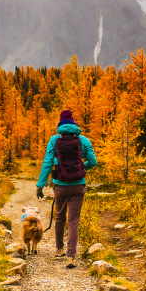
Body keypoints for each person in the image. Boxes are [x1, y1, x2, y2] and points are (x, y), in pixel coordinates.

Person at [36, 109, 98, 268]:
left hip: (60, 186)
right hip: (78, 185)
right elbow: (93, 161)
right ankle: (71, 257)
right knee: (74, 220)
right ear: (73, 122)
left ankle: (59, 249)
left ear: (60, 123)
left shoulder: (54, 140)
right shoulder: (83, 140)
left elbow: (47, 163)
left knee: (60, 217)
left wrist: (40, 185)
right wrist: (82, 166)